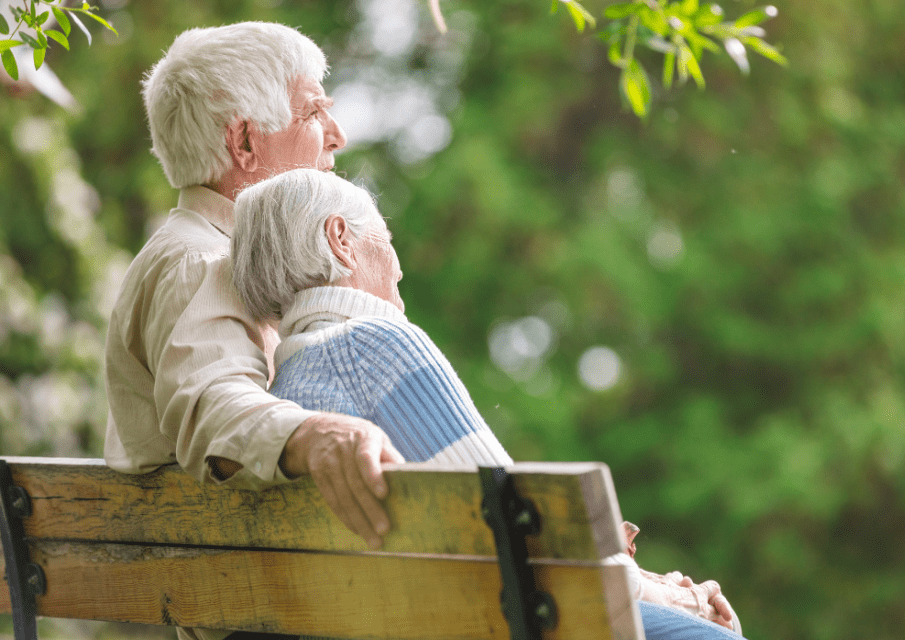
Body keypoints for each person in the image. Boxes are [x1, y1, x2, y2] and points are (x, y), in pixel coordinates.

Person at [230, 168, 745, 639]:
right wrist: (681, 597)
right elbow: (526, 539)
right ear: (341, 240)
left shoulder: (286, 384)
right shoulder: (374, 345)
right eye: (386, 240)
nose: (400, 268)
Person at [102, 23, 403, 640]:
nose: (338, 137)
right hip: (267, 617)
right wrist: (316, 432)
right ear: (244, 142)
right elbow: (212, 405)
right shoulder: (200, 262)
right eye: (316, 112)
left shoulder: (220, 259)